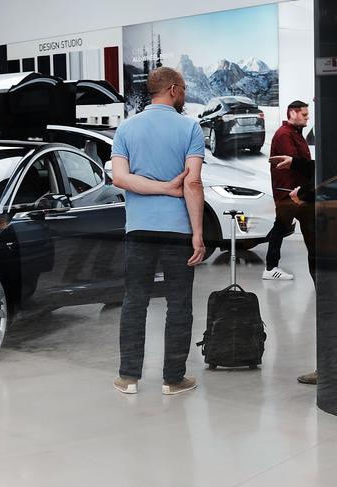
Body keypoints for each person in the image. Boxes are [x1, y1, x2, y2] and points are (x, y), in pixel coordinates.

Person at [110, 67, 206, 396]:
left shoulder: (126, 129)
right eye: (183, 89)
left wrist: (157, 188)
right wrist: (197, 232)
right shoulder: (190, 127)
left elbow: (120, 178)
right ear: (173, 89)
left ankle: (128, 377)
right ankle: (173, 379)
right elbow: (192, 182)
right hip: (178, 232)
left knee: (134, 302)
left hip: (138, 230)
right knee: (179, 305)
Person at [270, 153, 317, 385]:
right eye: (304, 112)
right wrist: (296, 163)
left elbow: (329, 175)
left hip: (329, 245)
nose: (308, 117)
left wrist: (304, 193)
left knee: (330, 308)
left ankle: (330, 367)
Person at [262, 100, 315, 281]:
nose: (308, 117)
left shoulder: (295, 133)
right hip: (290, 193)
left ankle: (271, 266)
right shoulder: (284, 135)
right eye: (304, 114)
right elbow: (294, 163)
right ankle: (271, 267)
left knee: (282, 228)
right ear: (292, 113)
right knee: (284, 228)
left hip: (297, 193)